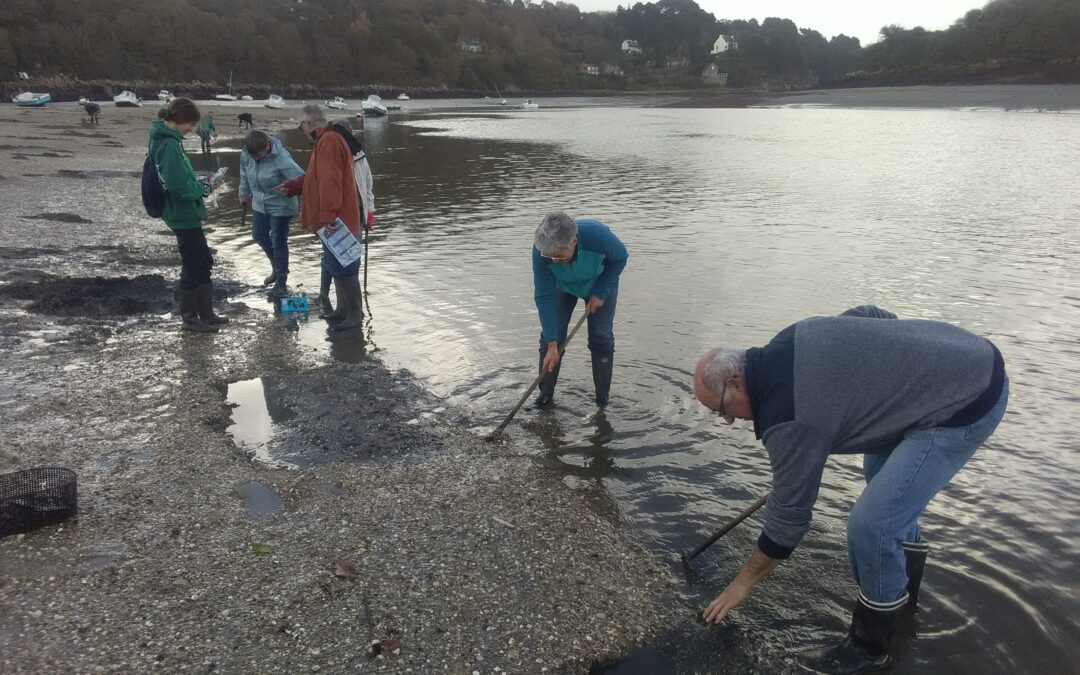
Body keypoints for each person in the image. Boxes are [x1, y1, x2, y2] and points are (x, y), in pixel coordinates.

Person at [693, 305, 1008, 674]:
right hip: (961, 354)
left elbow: (788, 521)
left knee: (872, 525)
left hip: (967, 400)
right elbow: (873, 316)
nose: (727, 420)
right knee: (880, 476)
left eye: (721, 409)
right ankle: (904, 606)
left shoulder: (788, 419)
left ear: (736, 384)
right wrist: (883, 369)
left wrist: (741, 585)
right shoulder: (794, 335)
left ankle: (870, 649)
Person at [276, 104, 363, 331]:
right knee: (336, 266)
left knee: (345, 267)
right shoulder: (326, 141)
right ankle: (343, 310)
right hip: (335, 219)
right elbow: (317, 179)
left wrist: (327, 217)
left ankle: (355, 314)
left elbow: (330, 181)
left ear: (307, 124)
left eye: (301, 127)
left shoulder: (329, 142)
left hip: (338, 221)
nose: (302, 131)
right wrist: (296, 186)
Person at [148, 98, 229, 333]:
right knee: (194, 263)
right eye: (190, 124)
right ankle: (190, 319)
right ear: (180, 120)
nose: (191, 129)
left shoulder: (165, 139)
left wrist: (197, 182)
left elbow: (178, 178)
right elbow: (177, 186)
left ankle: (206, 313)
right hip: (182, 213)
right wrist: (203, 189)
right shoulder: (169, 145)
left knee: (203, 260)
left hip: (182, 212)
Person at [532, 213, 628, 409]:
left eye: (559, 256)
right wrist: (552, 344)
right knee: (553, 338)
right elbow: (543, 296)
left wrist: (601, 292)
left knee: (601, 338)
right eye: (549, 257)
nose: (553, 260)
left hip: (599, 283)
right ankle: (545, 395)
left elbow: (620, 258)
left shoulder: (598, 236)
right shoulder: (541, 251)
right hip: (562, 286)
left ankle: (602, 400)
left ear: (573, 242)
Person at [316, 117, 374, 318]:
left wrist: (370, 214)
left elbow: (368, 188)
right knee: (334, 260)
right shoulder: (331, 153)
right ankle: (342, 308)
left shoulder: (359, 157)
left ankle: (351, 311)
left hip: (354, 215)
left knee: (348, 262)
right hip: (335, 215)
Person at [238, 130, 304, 297]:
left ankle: (281, 282)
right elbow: (244, 174)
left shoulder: (281, 158)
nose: (256, 159)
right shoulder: (246, 154)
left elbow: (303, 179)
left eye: (259, 156)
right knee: (258, 235)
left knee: (278, 240)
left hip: (281, 205)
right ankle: (277, 266)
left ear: (267, 146)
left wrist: (290, 186)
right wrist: (243, 193)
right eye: (254, 157)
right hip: (260, 203)